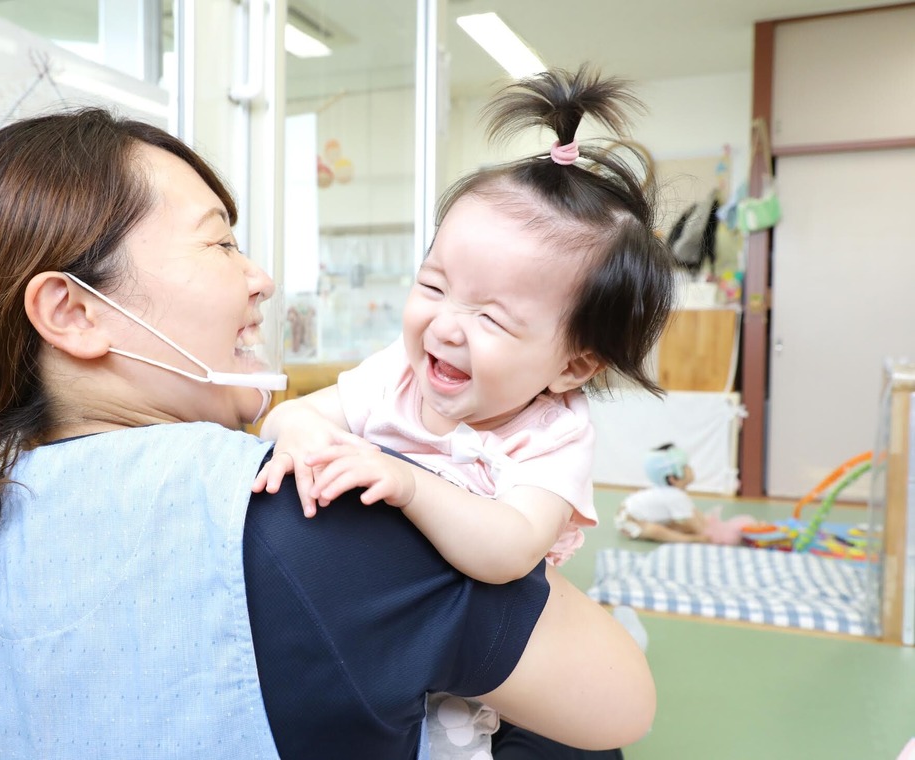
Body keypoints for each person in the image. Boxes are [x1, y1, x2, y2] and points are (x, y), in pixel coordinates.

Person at [0, 107, 654, 760]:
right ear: (74, 313)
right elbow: (620, 702)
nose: (260, 278)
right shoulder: (297, 508)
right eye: (219, 243)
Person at [252, 66, 674, 759]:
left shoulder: (554, 435)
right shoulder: (396, 375)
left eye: (491, 317)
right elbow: (286, 420)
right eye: (434, 285)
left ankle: (616, 635)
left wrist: (412, 483)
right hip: (385, 636)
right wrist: (301, 431)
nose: (447, 326)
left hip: (500, 657)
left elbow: (508, 552)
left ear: (573, 364)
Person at [616, 443, 752, 545]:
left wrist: (705, 523)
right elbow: (698, 527)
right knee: (655, 530)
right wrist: (706, 534)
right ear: (673, 478)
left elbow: (692, 514)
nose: (690, 469)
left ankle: (679, 533)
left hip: (631, 511)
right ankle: (686, 540)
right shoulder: (676, 497)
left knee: (676, 524)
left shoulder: (676, 495)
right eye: (685, 467)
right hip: (629, 520)